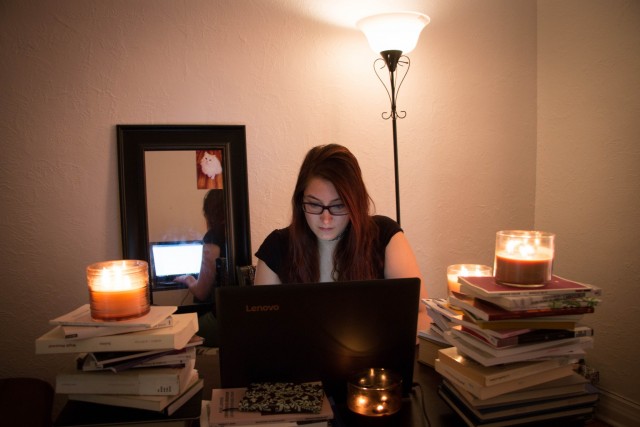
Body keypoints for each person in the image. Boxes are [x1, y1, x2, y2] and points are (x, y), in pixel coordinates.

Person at [254, 144, 429, 332]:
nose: (326, 219)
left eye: (338, 206)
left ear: (356, 203)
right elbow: (261, 329)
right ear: (300, 201)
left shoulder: (384, 235)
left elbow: (422, 315)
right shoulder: (277, 247)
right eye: (314, 204)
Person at [175, 189, 226, 346]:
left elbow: (202, 292)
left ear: (209, 213)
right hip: (232, 312)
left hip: (218, 318)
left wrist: (188, 279)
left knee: (178, 332)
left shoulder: (213, 238)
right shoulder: (235, 234)